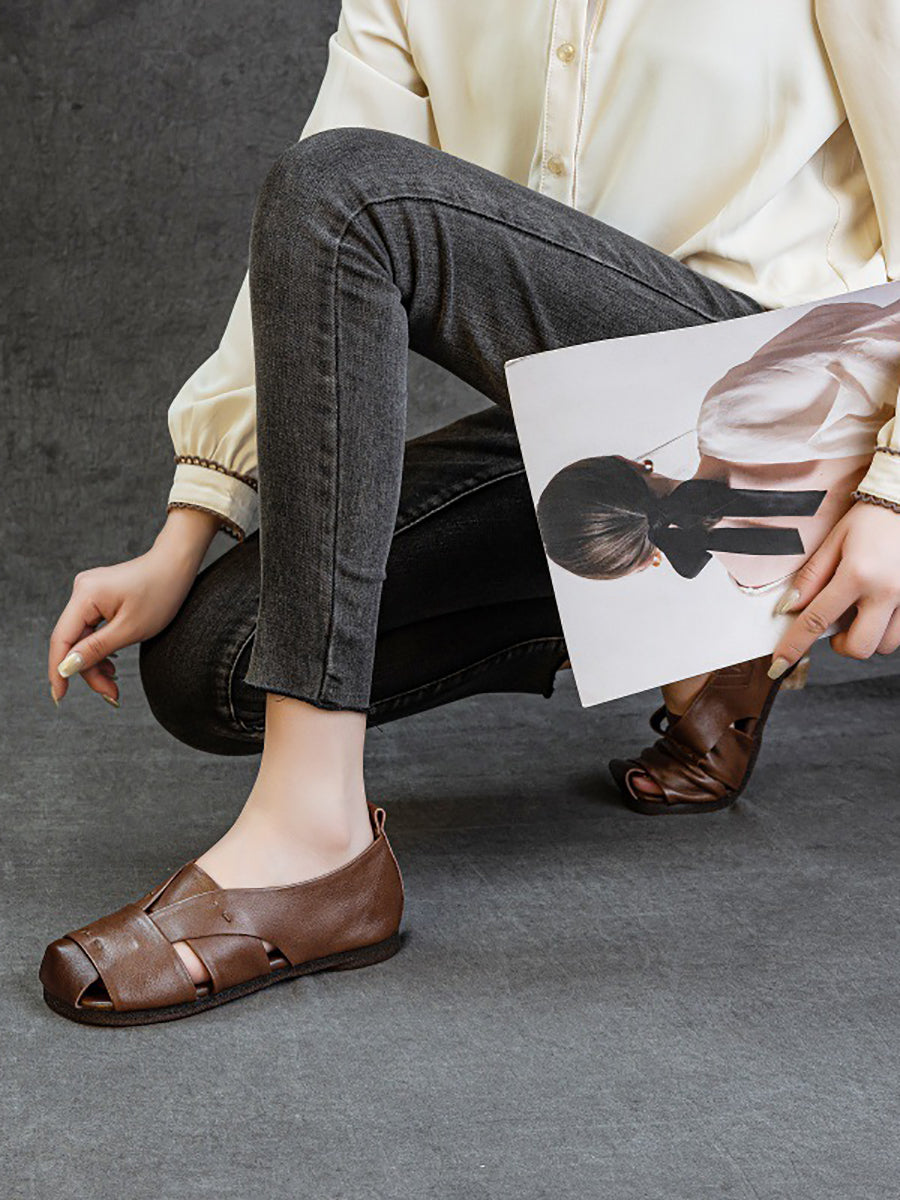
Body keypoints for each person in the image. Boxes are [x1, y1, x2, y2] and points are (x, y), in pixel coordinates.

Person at [40, 1, 900, 1024]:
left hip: (796, 403)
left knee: (347, 197)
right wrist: (193, 520)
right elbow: (297, 260)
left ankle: (317, 846)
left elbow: (335, 197)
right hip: (604, 447)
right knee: (211, 664)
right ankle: (707, 628)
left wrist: (891, 486)